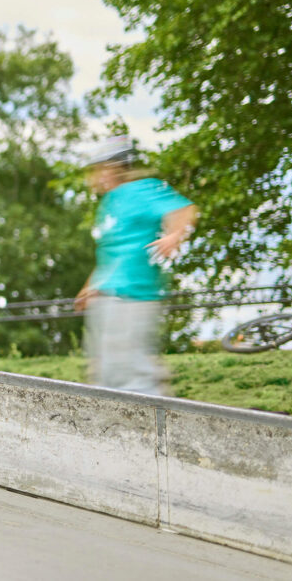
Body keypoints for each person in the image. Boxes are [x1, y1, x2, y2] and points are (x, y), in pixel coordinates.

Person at [74, 136, 198, 396]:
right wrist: (89, 287)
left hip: (134, 293)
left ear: (114, 169)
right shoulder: (108, 204)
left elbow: (184, 210)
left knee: (134, 371)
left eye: (98, 170)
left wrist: (174, 236)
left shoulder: (144, 190)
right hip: (106, 296)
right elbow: (109, 254)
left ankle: (157, 420)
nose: (94, 178)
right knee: (106, 372)